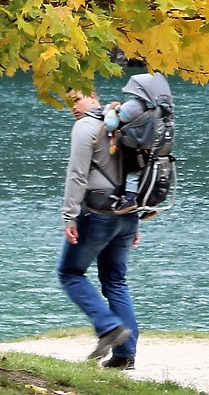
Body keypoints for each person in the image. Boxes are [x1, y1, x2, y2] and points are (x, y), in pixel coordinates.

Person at [59, 85, 140, 368]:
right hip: (128, 213)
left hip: (97, 212)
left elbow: (77, 175)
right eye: (69, 101)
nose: (73, 106)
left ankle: (108, 327)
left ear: (92, 95)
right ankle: (124, 356)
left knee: (70, 273)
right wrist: (136, 222)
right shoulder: (121, 123)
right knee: (115, 281)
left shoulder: (86, 127)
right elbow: (134, 173)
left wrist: (69, 216)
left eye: (77, 98)